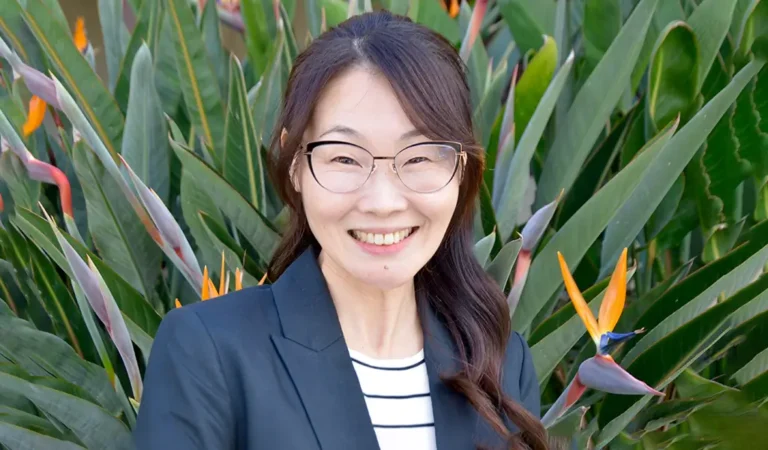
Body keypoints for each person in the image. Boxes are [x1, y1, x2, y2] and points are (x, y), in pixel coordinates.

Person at [132, 10, 548, 450]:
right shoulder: (209, 352)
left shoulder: (497, 364)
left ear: (461, 170)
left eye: (420, 156)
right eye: (345, 158)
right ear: (296, 166)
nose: (383, 203)